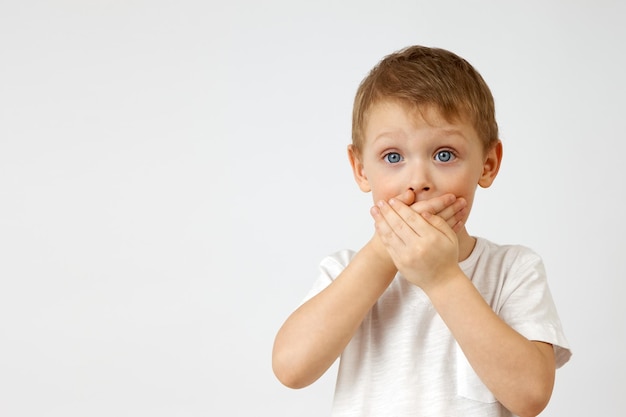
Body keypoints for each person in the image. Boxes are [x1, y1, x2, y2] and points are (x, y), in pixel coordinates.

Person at [272, 45, 571, 417]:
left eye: (444, 154)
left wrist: (443, 278)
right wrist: (383, 254)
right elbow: (290, 369)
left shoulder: (513, 269)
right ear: (361, 169)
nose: (418, 180)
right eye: (393, 157)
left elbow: (530, 397)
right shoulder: (345, 271)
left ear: (488, 164)